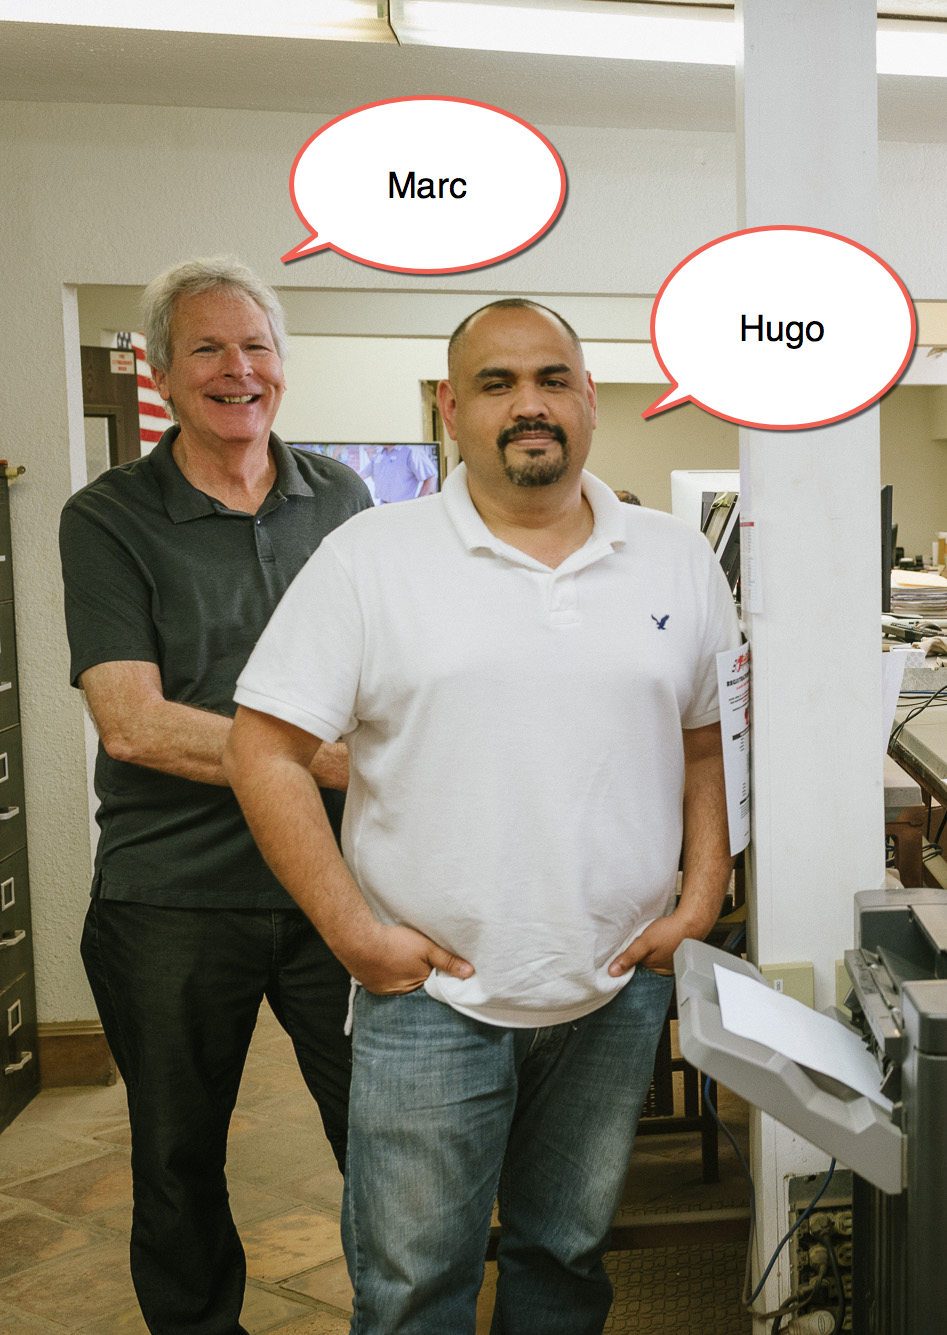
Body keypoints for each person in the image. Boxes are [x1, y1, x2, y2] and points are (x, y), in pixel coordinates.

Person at [222, 298, 737, 1335]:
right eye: (497, 384)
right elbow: (260, 751)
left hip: (613, 988)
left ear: (590, 399)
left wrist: (702, 898)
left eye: (552, 379)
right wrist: (353, 934)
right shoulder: (372, 556)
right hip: (430, 997)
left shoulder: (676, 558)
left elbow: (703, 741)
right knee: (414, 1287)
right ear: (452, 409)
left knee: (566, 1260)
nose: (529, 404)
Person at [58, 256, 371, 1335]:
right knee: (178, 1157)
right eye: (207, 349)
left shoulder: (342, 497)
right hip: (173, 898)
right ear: (161, 372)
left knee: (388, 1134)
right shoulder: (108, 516)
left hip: (336, 888)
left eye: (256, 347)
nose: (238, 369)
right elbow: (133, 722)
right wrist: (322, 759)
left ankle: (405, 1312)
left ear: (282, 363)